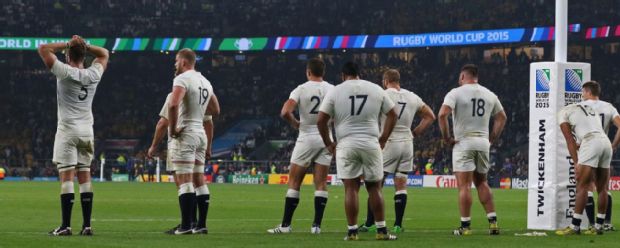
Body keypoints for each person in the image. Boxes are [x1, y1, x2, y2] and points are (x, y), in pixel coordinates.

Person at [317, 62, 398, 241]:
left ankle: (352, 232)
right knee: (375, 188)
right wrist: (383, 138)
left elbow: (321, 120)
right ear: (359, 73)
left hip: (346, 144)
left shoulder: (336, 91)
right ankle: (381, 230)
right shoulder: (375, 89)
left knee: (351, 189)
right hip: (370, 142)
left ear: (343, 75)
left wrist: (329, 143)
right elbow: (393, 114)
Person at [38, 35, 109, 236]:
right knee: (85, 175)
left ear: (68, 55)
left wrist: (69, 44)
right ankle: (87, 226)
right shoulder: (94, 73)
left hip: (68, 130)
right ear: (84, 55)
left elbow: (44, 48)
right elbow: (104, 53)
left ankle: (66, 226)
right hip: (87, 131)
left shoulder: (65, 72)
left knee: (67, 176)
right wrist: (84, 46)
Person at [359, 69, 435, 234]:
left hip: (389, 142)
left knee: (375, 183)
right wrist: (415, 132)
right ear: (398, 80)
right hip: (407, 143)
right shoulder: (412, 96)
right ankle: (398, 224)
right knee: (401, 184)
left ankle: (370, 222)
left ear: (385, 80)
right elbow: (430, 116)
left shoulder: (382, 94)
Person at [267, 58, 334, 234]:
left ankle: (286, 226)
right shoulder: (332, 89)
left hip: (307, 136)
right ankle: (316, 227)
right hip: (326, 138)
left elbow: (285, 112)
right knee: (320, 184)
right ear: (323, 72)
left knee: (294, 182)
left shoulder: (301, 89)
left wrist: (296, 123)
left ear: (308, 72)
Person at [438, 64, 506, 236]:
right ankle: (493, 223)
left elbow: (442, 114)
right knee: (482, 182)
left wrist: (447, 138)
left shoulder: (455, 93)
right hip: (483, 142)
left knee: (464, 186)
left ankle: (465, 226)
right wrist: (492, 137)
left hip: (464, 141)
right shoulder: (489, 94)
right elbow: (501, 117)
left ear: (462, 76)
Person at [167, 48, 219, 235]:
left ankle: (186, 226)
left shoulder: (182, 79)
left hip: (186, 133)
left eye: (176, 61)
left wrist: (173, 129)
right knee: (199, 180)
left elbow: (173, 104)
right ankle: (201, 225)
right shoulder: (205, 81)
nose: (174, 64)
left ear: (183, 62)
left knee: (185, 181)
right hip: (200, 134)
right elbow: (216, 109)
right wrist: (198, 112)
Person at [556, 81, 615, 235]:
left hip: (590, 142)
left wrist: (576, 162)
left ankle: (575, 226)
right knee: (602, 188)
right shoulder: (588, 109)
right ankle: (599, 226)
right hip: (605, 143)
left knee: (583, 185)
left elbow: (569, 140)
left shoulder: (563, 113)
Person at [579, 81, 619, 232]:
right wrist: (613, 145)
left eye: (583, 92)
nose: (582, 95)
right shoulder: (608, 107)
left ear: (588, 91)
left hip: (588, 147)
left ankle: (591, 224)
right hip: (604, 147)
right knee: (603, 188)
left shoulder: (582, 107)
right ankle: (605, 222)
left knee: (587, 186)